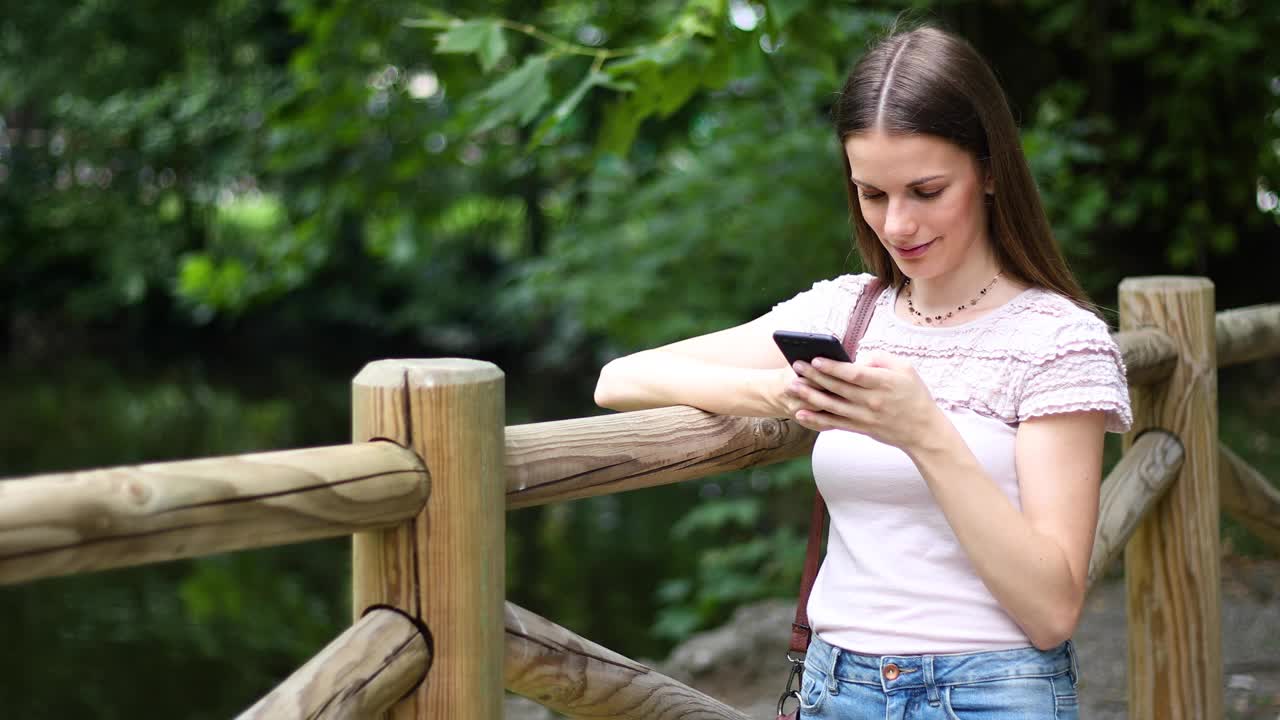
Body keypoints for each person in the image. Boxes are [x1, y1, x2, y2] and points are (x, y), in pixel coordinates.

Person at [593, 23, 1132, 720]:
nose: (898, 224)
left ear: (991, 169)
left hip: (990, 693)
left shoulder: (1059, 341)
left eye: (926, 190)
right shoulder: (847, 311)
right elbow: (620, 379)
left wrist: (924, 434)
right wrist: (771, 393)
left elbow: (1052, 609)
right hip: (834, 687)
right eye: (872, 195)